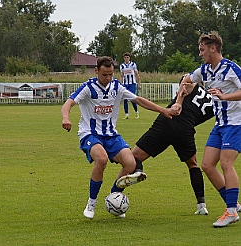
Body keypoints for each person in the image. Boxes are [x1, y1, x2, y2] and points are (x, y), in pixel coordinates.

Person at [61, 56, 178, 219]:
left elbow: (138, 100)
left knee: (130, 164)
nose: (108, 78)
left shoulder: (117, 87)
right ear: (96, 71)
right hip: (90, 133)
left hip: (111, 134)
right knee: (101, 160)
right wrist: (66, 118)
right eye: (104, 75)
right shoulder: (88, 88)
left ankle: (114, 197)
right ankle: (91, 203)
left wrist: (163, 110)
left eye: (110, 74)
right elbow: (68, 103)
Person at [116, 75, 214, 215]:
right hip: (185, 130)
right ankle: (201, 205)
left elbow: (186, 80)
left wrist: (179, 102)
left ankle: (123, 187)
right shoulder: (217, 101)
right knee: (193, 165)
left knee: (133, 158)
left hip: (167, 121)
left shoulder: (195, 85)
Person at [182, 31, 241, 228]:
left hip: (235, 123)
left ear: (213, 48)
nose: (200, 54)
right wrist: (182, 96)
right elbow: (187, 78)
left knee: (226, 163)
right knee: (207, 165)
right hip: (220, 125)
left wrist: (226, 97)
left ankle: (231, 211)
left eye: (202, 50)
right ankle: (234, 205)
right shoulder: (205, 70)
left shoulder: (231, 69)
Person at [120, 52, 141, 119]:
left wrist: (139, 84)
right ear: (124, 58)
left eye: (127, 57)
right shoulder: (122, 66)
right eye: (125, 57)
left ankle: (136, 112)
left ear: (129, 58)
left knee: (132, 98)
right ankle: (126, 114)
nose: (126, 59)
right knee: (125, 99)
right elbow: (121, 76)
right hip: (125, 84)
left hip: (132, 84)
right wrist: (121, 84)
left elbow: (137, 74)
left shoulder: (133, 65)